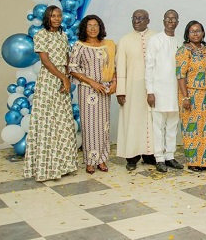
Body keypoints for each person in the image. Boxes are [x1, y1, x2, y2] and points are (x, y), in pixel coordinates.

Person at [24, 6, 78, 181]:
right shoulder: (41, 35)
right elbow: (46, 61)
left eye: (59, 15)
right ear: (47, 18)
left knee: (61, 121)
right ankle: (45, 167)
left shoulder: (63, 35)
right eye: (53, 16)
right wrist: (63, 78)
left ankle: (62, 164)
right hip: (49, 80)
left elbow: (67, 58)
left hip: (62, 78)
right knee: (47, 122)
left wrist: (68, 74)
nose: (56, 18)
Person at [70, 14, 116, 175]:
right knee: (90, 126)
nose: (93, 28)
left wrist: (114, 82)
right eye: (90, 25)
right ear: (84, 28)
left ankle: (102, 159)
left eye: (96, 25)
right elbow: (73, 69)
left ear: (100, 27)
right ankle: (90, 161)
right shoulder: (79, 45)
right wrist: (92, 82)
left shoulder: (107, 45)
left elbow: (113, 67)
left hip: (104, 89)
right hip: (88, 89)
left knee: (103, 126)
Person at [116, 9, 157, 171]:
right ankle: (131, 157)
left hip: (152, 87)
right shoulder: (125, 40)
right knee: (132, 121)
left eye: (141, 18)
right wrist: (120, 91)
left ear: (148, 20)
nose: (137, 21)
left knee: (151, 120)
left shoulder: (156, 37)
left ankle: (150, 154)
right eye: (134, 18)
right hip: (131, 88)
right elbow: (120, 66)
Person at [145, 9, 184, 173]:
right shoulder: (155, 40)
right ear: (163, 21)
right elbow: (149, 67)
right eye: (168, 18)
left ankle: (170, 156)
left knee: (173, 126)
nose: (171, 21)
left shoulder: (180, 41)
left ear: (177, 22)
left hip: (176, 92)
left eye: (174, 18)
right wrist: (150, 91)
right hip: (159, 91)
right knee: (158, 126)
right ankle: (159, 158)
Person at [176, 20, 206, 171]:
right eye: (192, 31)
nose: (195, 34)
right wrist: (185, 97)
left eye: (198, 30)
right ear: (187, 33)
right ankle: (194, 162)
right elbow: (180, 76)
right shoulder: (184, 50)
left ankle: (205, 162)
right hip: (191, 94)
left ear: (203, 33)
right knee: (192, 130)